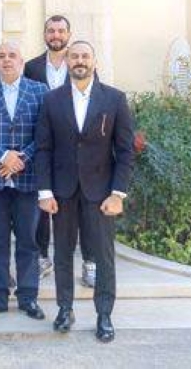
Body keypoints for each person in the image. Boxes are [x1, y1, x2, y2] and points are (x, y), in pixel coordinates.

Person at [36, 40, 135, 343]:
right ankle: (64, 309)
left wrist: (118, 193)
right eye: (75, 56)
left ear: (94, 61)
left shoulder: (114, 99)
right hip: (62, 192)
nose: (80, 60)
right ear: (67, 61)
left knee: (104, 256)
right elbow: (43, 149)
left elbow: (125, 151)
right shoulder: (51, 100)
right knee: (63, 254)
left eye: (85, 56)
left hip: (101, 193)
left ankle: (104, 315)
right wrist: (45, 192)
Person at [0, 41, 48, 322]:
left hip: (28, 179)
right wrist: (3, 156)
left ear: (22, 62)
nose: (6, 60)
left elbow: (44, 133)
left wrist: (21, 158)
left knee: (28, 241)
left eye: (12, 55)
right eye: (1, 56)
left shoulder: (39, 91)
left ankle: (28, 298)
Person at [23, 15, 79, 282]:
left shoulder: (80, 64)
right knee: (41, 202)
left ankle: (68, 258)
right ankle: (41, 256)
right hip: (41, 145)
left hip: (72, 148)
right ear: (44, 34)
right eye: (51, 30)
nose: (56, 35)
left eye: (61, 30)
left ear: (68, 34)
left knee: (69, 204)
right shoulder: (31, 67)